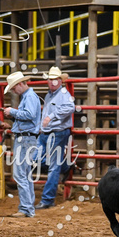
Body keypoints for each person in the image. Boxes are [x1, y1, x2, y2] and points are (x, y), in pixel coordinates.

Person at [35, 66, 75, 210]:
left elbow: (71, 107)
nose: (52, 82)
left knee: (52, 166)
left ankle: (47, 199)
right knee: (36, 157)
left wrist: (51, 117)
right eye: (50, 79)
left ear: (60, 81)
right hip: (47, 133)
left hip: (58, 132)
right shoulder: (49, 95)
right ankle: (65, 166)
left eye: (55, 79)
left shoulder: (63, 93)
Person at [4, 71, 41, 218]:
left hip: (25, 139)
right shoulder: (29, 96)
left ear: (20, 84)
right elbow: (30, 116)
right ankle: (27, 208)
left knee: (20, 174)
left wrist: (12, 112)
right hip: (27, 138)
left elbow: (30, 114)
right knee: (25, 174)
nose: (14, 91)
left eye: (14, 88)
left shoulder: (30, 96)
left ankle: (26, 209)